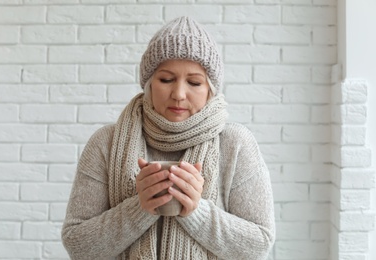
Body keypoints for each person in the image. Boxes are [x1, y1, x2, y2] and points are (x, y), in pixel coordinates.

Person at [61, 16, 275, 260]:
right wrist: (139, 208)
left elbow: (259, 244)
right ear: (149, 83)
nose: (179, 94)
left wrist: (197, 211)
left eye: (194, 82)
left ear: (210, 89)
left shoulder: (235, 143)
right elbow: (77, 244)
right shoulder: (106, 143)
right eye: (166, 79)